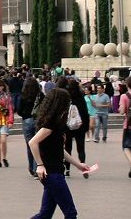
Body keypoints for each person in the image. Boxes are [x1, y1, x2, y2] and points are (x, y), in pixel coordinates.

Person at [28, 86, 100, 219]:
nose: (68, 106)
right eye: (67, 102)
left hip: (54, 173)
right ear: (60, 104)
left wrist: (78, 165)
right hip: (52, 174)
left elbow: (59, 150)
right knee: (70, 213)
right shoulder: (50, 124)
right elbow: (32, 142)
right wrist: (39, 165)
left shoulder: (54, 122)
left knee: (45, 214)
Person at [17, 77, 43, 176]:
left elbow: (19, 110)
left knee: (29, 145)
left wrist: (25, 115)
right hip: (38, 121)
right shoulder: (40, 95)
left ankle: (31, 167)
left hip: (27, 120)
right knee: (37, 144)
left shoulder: (23, 96)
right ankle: (37, 167)